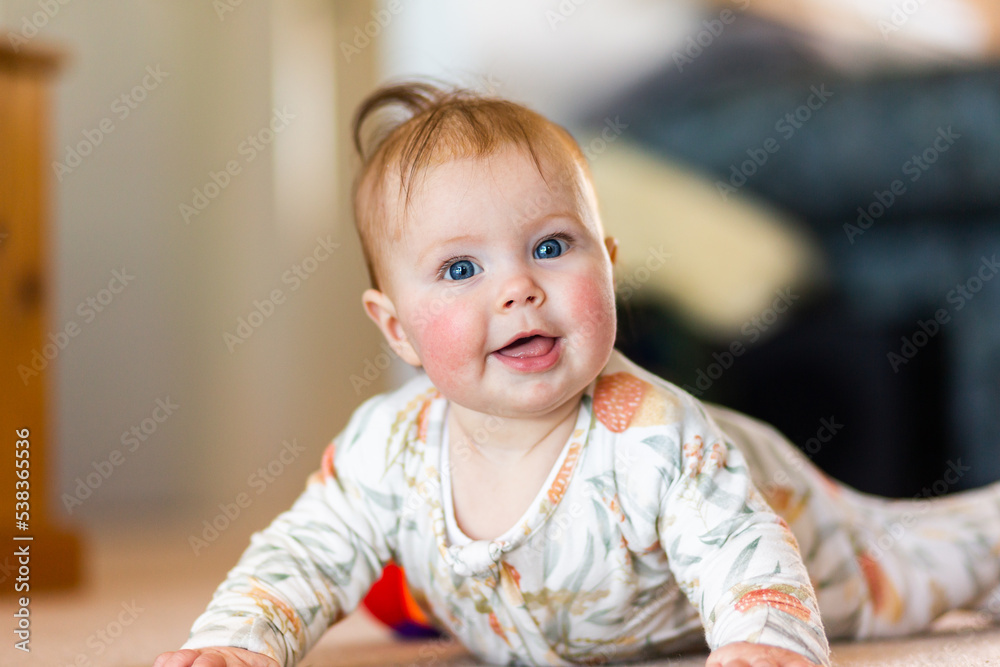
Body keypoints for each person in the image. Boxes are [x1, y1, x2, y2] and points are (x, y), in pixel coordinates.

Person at [154, 82, 1000, 667]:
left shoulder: (653, 435)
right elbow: (307, 550)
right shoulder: (386, 448)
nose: (519, 286)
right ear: (396, 327)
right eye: (459, 270)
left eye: (551, 247)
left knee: (931, 563)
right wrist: (242, 638)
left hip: (788, 527)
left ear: (611, 265)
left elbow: (739, 549)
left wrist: (765, 635)